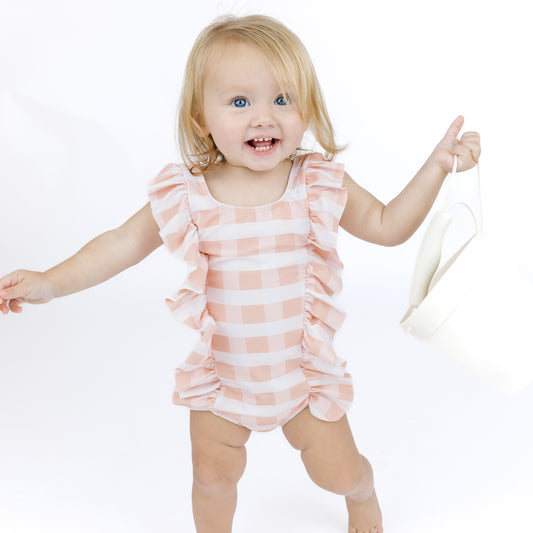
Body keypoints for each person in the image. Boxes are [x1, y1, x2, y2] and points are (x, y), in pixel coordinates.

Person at [0, 13, 480, 533]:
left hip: (301, 379)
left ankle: (364, 497)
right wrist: (49, 281)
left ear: (306, 108)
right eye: (239, 102)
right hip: (222, 383)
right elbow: (119, 244)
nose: (263, 118)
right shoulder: (187, 193)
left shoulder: (315, 182)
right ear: (200, 119)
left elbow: (388, 226)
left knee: (339, 474)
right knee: (211, 478)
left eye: (282, 99)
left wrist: (436, 167)